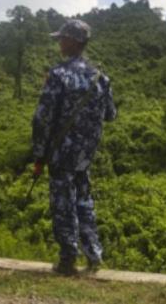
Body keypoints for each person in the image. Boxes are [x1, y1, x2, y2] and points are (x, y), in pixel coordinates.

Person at [31, 19, 117, 275]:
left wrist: (39, 155)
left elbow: (41, 119)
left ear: (73, 42)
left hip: (61, 154)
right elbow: (111, 115)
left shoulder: (58, 75)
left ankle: (68, 260)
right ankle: (94, 255)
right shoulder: (101, 78)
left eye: (62, 38)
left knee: (63, 204)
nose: (59, 42)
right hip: (85, 156)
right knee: (84, 201)